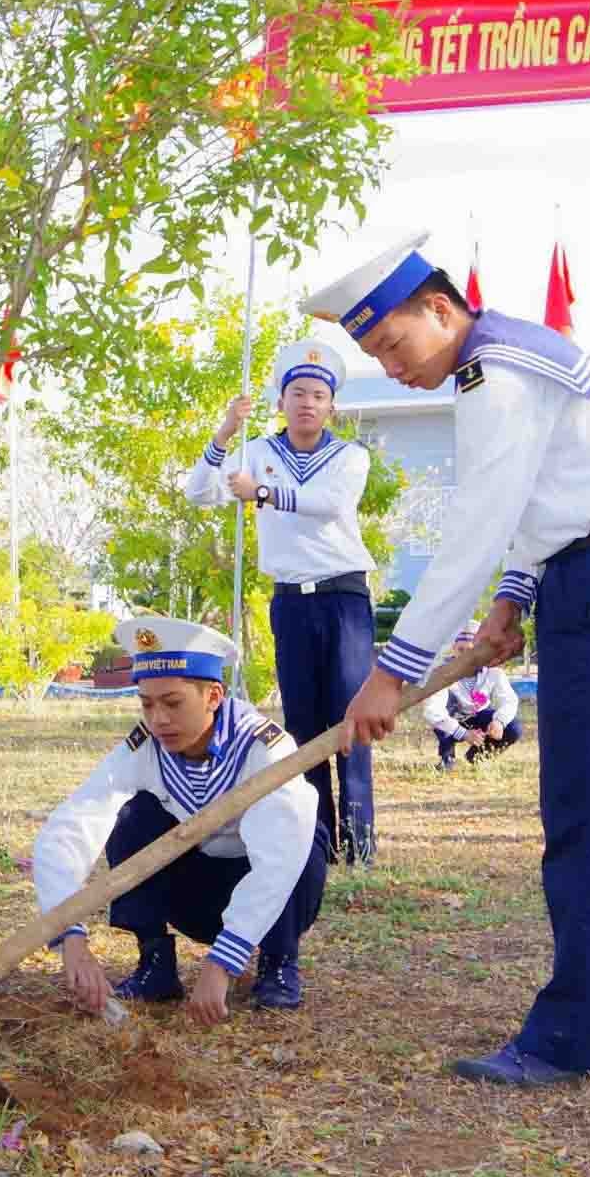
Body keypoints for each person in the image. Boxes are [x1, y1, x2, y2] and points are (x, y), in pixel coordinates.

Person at [312, 232, 590, 1087]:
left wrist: (390, 671)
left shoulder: (495, 376)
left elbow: (478, 525)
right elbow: (545, 506)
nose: (394, 369)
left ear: (438, 308)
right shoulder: (512, 352)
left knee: (587, 817)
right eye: (375, 356)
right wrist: (512, 603)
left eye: (394, 346)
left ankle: (565, 1042)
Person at [37, 616, 326, 1019]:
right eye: (147, 704)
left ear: (213, 696)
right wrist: (68, 932)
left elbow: (277, 863)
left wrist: (222, 961)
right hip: (196, 894)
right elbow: (72, 826)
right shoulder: (144, 748)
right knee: (134, 818)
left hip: (271, 896)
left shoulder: (264, 748)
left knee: (302, 835)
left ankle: (278, 962)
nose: (158, 720)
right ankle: (155, 962)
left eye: (172, 703)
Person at [184, 338, 379, 864]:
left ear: (331, 405)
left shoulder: (350, 456)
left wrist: (263, 495)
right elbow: (200, 492)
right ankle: (315, 843)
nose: (307, 402)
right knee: (303, 724)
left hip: (342, 595)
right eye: (297, 392)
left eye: (318, 394)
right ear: (281, 401)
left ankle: (359, 845)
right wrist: (226, 432)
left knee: (351, 717)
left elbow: (330, 504)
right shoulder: (257, 452)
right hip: (291, 601)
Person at [426, 623, 524, 770]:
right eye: (461, 649)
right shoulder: (441, 673)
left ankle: (476, 757)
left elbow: (509, 700)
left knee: (513, 728)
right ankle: (447, 758)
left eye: (471, 650)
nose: (466, 655)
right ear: (453, 648)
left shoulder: (493, 672)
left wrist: (499, 722)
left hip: (479, 716)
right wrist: (464, 734)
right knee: (443, 718)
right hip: (453, 718)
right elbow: (433, 711)